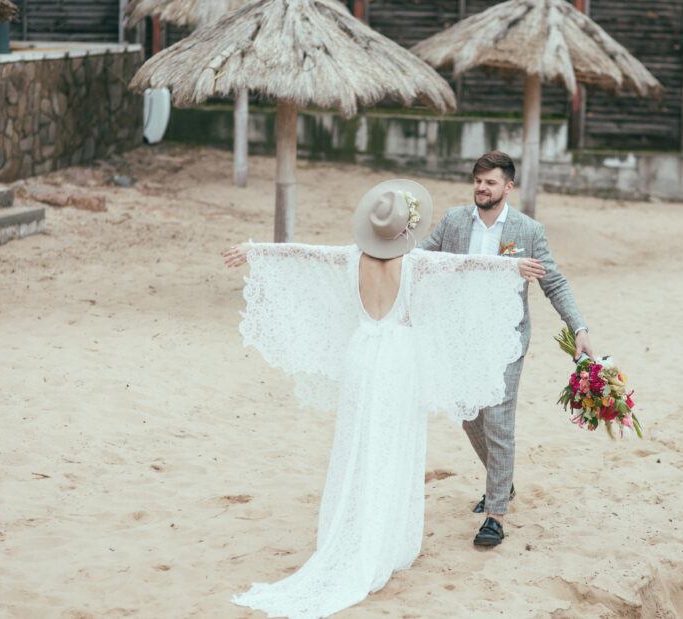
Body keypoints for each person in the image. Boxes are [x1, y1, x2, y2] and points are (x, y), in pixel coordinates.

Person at [223, 179, 545, 619]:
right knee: (392, 448)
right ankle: (381, 542)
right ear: (406, 230)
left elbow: (305, 252)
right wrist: (512, 268)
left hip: (361, 355)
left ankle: (354, 531)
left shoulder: (350, 257)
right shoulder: (416, 263)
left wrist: (256, 250)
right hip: (397, 361)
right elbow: (467, 266)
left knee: (356, 442)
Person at [419, 150, 592, 547]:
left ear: (507, 187)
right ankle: (504, 481)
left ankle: (496, 514)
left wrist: (578, 327)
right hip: (461, 336)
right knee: (468, 415)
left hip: (506, 339)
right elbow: (420, 260)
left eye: (490, 181)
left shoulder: (528, 231)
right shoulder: (454, 221)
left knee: (498, 420)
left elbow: (555, 283)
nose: (482, 187)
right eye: (478, 180)